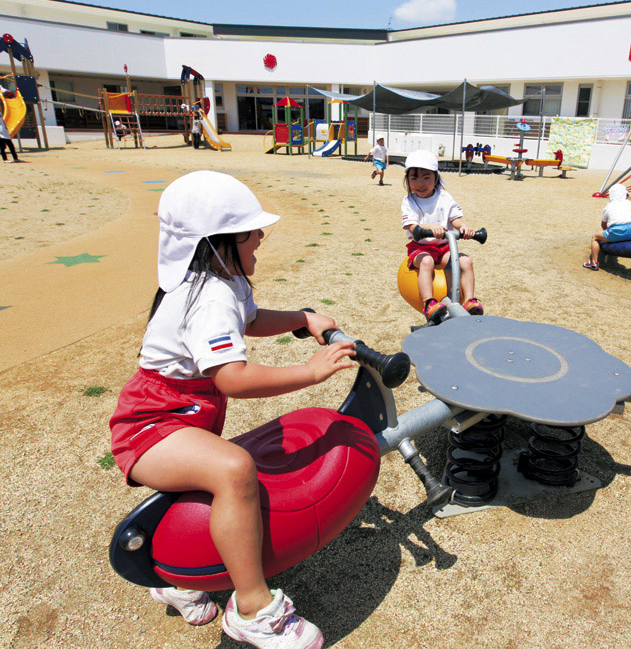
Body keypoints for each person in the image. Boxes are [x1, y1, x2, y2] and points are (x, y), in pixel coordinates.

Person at [109, 171, 354, 647]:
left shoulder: (224, 279)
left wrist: (304, 317)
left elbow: (253, 319)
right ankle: (253, 609)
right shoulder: (210, 296)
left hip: (182, 415)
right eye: (250, 230)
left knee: (218, 482)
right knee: (234, 469)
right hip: (150, 424)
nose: (260, 235)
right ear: (217, 242)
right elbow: (232, 378)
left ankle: (182, 581)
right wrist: (310, 371)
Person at [401, 149, 483, 320]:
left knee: (465, 261)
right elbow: (411, 226)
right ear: (407, 180)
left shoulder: (444, 197)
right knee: (427, 261)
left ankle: (469, 300)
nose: (420, 183)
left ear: (436, 178)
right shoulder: (409, 201)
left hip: (444, 247)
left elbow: (456, 218)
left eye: (426, 177)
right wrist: (427, 227)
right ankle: (429, 302)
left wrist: (464, 227)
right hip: (420, 247)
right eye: (413, 178)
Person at [583, 184, 631, 271]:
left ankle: (594, 263)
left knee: (595, 237)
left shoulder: (609, 206)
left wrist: (608, 235)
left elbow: (603, 224)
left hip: (616, 231)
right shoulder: (630, 203)